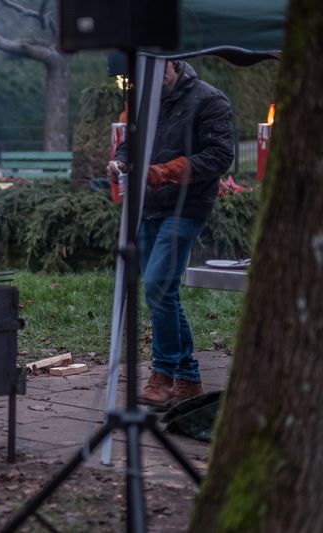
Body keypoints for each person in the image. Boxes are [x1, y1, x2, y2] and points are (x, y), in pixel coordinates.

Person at [107, 60, 234, 410]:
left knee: (157, 287)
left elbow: (220, 156)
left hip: (186, 206)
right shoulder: (144, 99)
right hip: (146, 205)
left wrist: (164, 172)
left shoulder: (210, 99)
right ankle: (189, 378)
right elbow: (130, 143)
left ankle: (163, 374)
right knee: (163, 292)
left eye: (154, 70)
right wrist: (119, 161)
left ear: (173, 63)